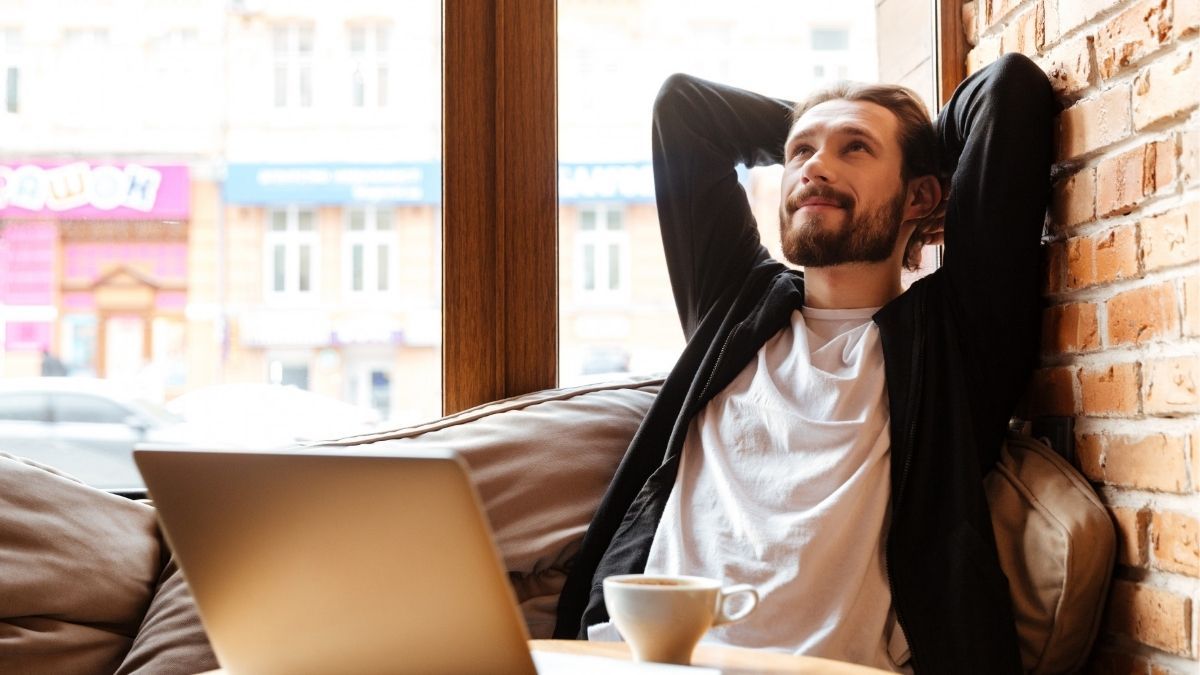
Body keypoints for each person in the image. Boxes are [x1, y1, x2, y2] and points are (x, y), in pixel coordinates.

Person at [554, 53, 1055, 675]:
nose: (815, 166)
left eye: (854, 149)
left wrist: (914, 147)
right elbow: (683, 110)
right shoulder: (734, 307)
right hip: (633, 662)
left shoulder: (955, 336)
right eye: (800, 153)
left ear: (921, 196)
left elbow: (1011, 92)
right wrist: (827, 133)